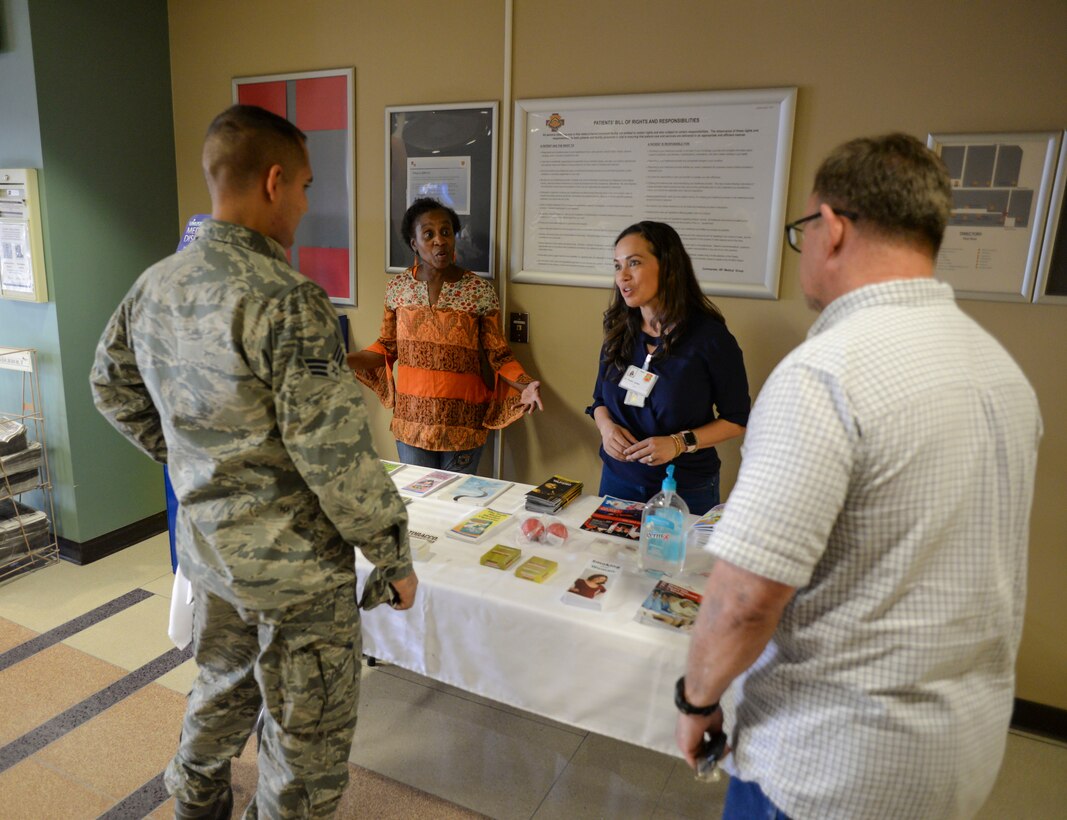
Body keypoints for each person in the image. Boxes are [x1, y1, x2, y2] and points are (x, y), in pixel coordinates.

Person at [675, 134, 1043, 819]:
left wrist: (694, 700)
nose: (805, 248)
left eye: (802, 231)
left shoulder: (823, 374)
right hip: (955, 749)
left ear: (832, 228)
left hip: (828, 764)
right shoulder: (998, 369)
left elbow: (744, 598)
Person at [90, 104, 417, 819]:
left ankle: (194, 804)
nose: (305, 203)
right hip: (296, 573)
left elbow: (109, 386)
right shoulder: (287, 298)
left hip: (209, 550)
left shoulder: (155, 284)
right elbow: (333, 456)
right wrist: (392, 553)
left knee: (219, 687)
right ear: (273, 181)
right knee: (305, 746)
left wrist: (190, 460)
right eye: (303, 186)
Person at [348, 197, 542, 474]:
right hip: (412, 424)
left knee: (458, 508)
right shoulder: (398, 289)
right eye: (428, 234)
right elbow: (386, 347)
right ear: (414, 243)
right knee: (422, 509)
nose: (439, 240)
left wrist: (526, 385)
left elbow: (498, 355)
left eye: (446, 232)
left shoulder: (478, 291)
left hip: (463, 424)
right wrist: (343, 360)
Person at [588, 221, 750, 512]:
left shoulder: (710, 339)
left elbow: (737, 419)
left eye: (634, 263)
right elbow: (599, 400)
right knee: (609, 558)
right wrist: (606, 428)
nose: (622, 276)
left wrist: (678, 443)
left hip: (681, 487)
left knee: (676, 559)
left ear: (668, 266)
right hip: (618, 480)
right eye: (617, 266)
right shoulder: (619, 328)